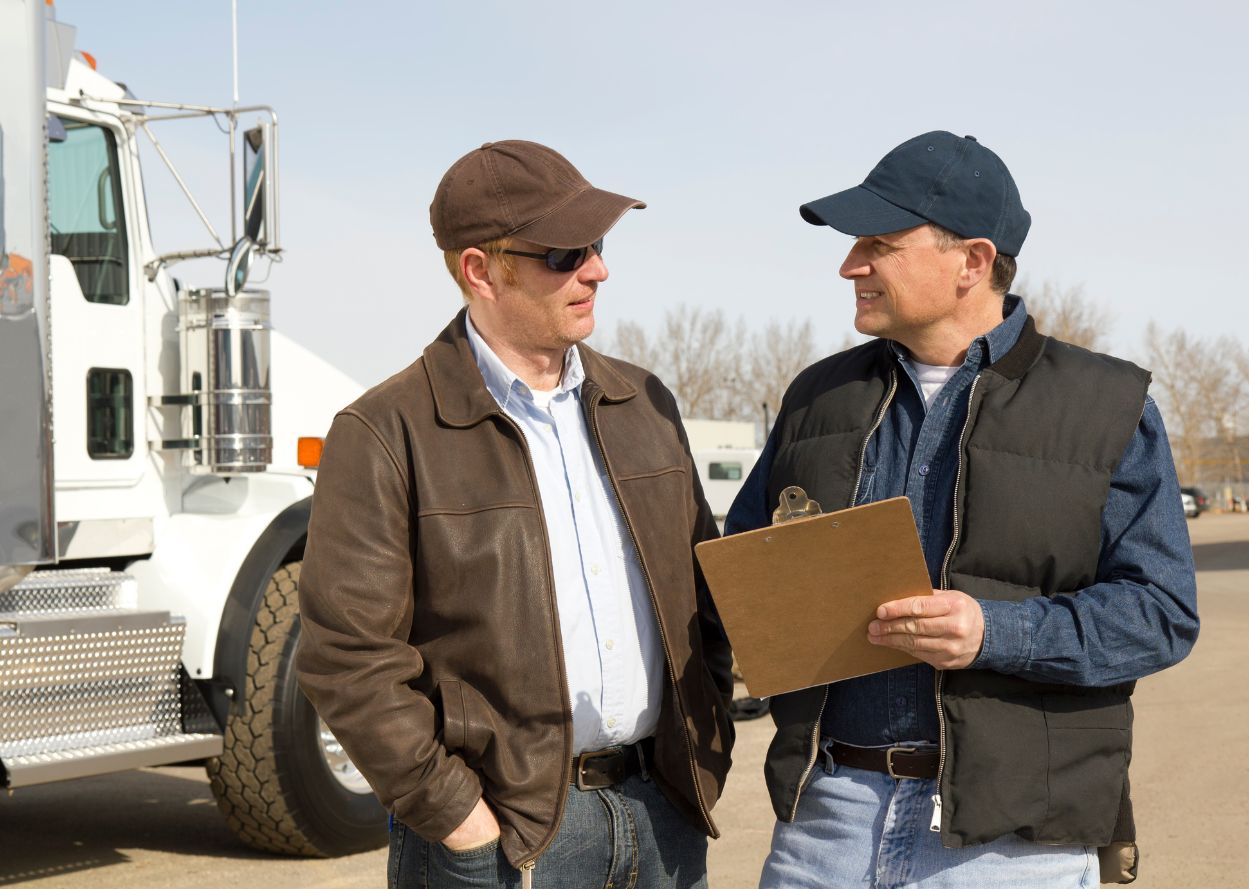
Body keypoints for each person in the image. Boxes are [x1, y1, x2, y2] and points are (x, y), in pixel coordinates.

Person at [725, 131, 1198, 888]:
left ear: (972, 261)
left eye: (877, 242)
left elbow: (1160, 613)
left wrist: (994, 631)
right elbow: (742, 567)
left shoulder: (1107, 404)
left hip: (1009, 843)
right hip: (825, 824)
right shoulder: (817, 397)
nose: (851, 265)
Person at [296, 140, 733, 889]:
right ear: (479, 269)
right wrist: (458, 818)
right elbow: (347, 656)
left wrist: (703, 751)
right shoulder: (385, 430)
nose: (597, 269)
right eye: (564, 253)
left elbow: (707, 596)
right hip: (503, 841)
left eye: (595, 245)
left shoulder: (646, 404)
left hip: (662, 816)